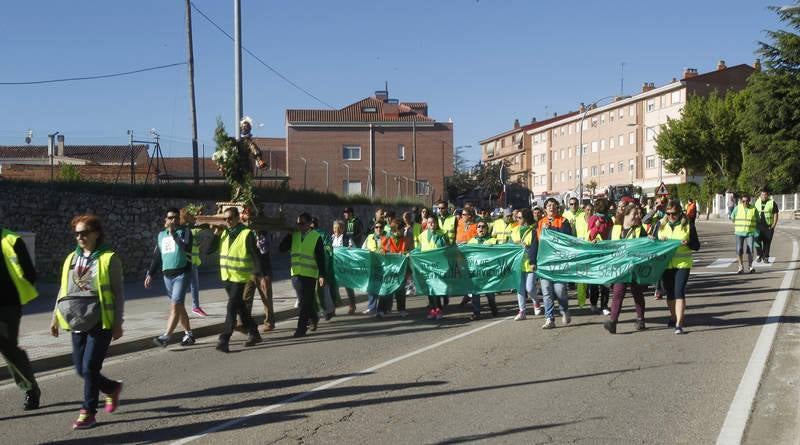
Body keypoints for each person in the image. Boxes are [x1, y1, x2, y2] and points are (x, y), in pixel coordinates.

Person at [50, 215, 124, 429]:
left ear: (96, 233)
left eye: (84, 233)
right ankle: (111, 388)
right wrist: (54, 317)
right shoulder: (71, 259)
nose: (80, 237)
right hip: (76, 320)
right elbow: (63, 289)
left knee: (90, 367)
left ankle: (88, 412)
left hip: (101, 321)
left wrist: (118, 322)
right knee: (81, 370)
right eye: (77, 233)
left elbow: (118, 294)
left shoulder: (110, 258)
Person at [208, 207, 264, 352]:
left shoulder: (246, 234)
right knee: (240, 308)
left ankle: (224, 339)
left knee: (231, 307)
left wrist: (259, 274)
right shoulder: (224, 233)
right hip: (226, 277)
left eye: (230, 218)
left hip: (240, 277)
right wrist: (216, 234)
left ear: (238, 218)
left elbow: (255, 254)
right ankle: (254, 332)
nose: (227, 221)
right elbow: (208, 250)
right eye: (225, 219)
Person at [0, 226, 41, 411]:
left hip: (7, 306)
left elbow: (30, 273)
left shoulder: (12, 240)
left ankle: (30, 388)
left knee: (9, 350)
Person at [145, 208, 194, 347]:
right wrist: (150, 273)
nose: (172, 220)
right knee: (179, 306)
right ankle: (189, 334)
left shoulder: (185, 231)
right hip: (167, 276)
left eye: (175, 218)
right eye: (169, 218)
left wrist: (174, 234)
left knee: (175, 305)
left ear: (179, 219)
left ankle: (166, 336)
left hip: (182, 273)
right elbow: (157, 256)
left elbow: (186, 248)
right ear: (165, 220)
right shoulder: (161, 235)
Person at [654, 200, 699, 334]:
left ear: (679, 213)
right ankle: (673, 317)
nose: (670, 217)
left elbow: (696, 246)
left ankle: (679, 324)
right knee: (670, 294)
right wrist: (657, 242)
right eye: (668, 214)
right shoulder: (660, 224)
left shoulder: (688, 225)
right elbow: (652, 242)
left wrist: (687, 243)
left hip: (682, 264)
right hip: (666, 264)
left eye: (673, 214)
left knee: (679, 291)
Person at [603, 203, 649, 334]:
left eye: (638, 214)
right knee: (618, 292)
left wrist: (651, 239)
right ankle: (613, 322)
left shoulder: (640, 230)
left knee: (637, 292)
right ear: (626, 215)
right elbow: (607, 246)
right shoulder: (615, 229)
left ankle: (640, 319)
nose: (637, 216)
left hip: (635, 268)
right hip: (620, 267)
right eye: (634, 214)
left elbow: (647, 245)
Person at [279, 212, 326, 338]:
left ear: (310, 223)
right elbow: (281, 248)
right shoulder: (294, 235)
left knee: (305, 303)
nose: (299, 225)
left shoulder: (316, 237)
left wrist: (322, 275)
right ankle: (314, 317)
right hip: (296, 274)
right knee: (304, 301)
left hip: (310, 275)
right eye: (297, 223)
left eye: (302, 223)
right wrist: (288, 235)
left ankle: (301, 329)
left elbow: (321, 258)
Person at [534, 198, 573, 329]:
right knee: (546, 291)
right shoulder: (540, 223)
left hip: (559, 262)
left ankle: (564, 310)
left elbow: (567, 238)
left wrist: (551, 230)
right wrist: (533, 261)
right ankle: (549, 318)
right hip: (544, 263)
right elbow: (536, 243)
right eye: (549, 206)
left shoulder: (563, 221)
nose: (551, 208)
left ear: (558, 208)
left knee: (560, 290)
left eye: (554, 205)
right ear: (545, 209)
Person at [241, 207, 276, 333]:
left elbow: (263, 251)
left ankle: (269, 322)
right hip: (250, 270)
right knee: (246, 297)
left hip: (263, 270)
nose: (245, 218)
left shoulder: (263, 233)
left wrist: (263, 275)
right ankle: (244, 322)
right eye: (244, 215)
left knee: (266, 297)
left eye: (248, 215)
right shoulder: (245, 232)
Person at [378, 217, 410, 317]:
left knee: (400, 289)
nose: (404, 231)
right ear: (396, 230)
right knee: (385, 289)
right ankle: (381, 310)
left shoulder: (404, 239)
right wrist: (382, 251)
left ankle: (401, 309)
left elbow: (408, 251)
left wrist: (405, 253)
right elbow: (380, 250)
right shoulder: (387, 238)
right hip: (388, 269)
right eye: (402, 229)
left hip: (400, 269)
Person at [511, 208, 539, 320]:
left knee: (530, 288)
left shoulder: (533, 230)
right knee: (520, 288)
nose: (517, 219)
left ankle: (536, 302)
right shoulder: (514, 230)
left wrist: (533, 262)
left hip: (529, 264)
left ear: (526, 218)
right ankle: (522, 311)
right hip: (518, 264)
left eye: (519, 217)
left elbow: (534, 247)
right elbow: (510, 245)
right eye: (517, 217)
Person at [468, 221, 499, 319]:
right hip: (476, 271)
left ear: (487, 229)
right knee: (475, 293)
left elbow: (500, 252)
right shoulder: (471, 241)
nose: (481, 228)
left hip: (488, 271)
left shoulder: (493, 241)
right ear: (476, 229)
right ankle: (476, 312)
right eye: (479, 227)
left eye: (483, 226)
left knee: (489, 293)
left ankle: (493, 307)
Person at [180, 208, 208, 317]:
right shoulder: (187, 230)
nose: (194, 218)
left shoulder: (188, 229)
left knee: (191, 285)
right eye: (191, 216)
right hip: (188, 262)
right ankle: (192, 307)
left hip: (192, 261)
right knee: (191, 285)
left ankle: (187, 308)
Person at [420, 215, 449, 320]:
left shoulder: (442, 234)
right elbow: (420, 249)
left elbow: (446, 248)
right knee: (430, 289)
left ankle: (439, 309)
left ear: (436, 223)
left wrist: (438, 238)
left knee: (436, 288)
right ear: (426, 224)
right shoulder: (422, 235)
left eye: (433, 222)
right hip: (427, 266)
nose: (431, 224)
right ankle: (433, 310)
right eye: (429, 223)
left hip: (438, 266)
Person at [588, 198, 613, 315]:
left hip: (606, 253)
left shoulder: (609, 220)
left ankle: (604, 305)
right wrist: (596, 226)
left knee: (606, 281)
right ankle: (593, 303)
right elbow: (590, 237)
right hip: (595, 254)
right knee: (594, 281)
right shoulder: (593, 218)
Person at [330, 219, 357, 314]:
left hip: (345, 266)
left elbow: (354, 251)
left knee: (348, 286)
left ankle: (352, 305)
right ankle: (332, 308)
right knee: (333, 288)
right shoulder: (331, 238)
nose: (336, 230)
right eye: (334, 228)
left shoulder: (347, 239)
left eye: (338, 228)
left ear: (343, 229)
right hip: (334, 267)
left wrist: (349, 250)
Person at [361, 221, 385, 315]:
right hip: (371, 265)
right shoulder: (369, 237)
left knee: (382, 288)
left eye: (380, 227)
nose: (378, 229)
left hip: (383, 266)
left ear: (383, 228)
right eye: (376, 227)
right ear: (374, 228)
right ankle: (372, 307)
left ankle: (381, 309)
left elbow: (389, 249)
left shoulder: (386, 238)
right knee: (371, 287)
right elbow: (363, 249)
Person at [730, 193, 758, 274]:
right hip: (739, 233)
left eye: (746, 201)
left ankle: (750, 267)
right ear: (741, 201)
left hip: (750, 233)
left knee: (750, 250)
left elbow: (757, 219)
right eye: (743, 201)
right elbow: (732, 217)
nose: (745, 202)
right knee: (739, 250)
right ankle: (740, 267)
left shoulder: (753, 209)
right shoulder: (737, 208)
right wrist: (738, 225)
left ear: (749, 200)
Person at [754, 189, 779, 263]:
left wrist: (773, 225)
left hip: (768, 226)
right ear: (760, 195)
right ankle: (759, 254)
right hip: (758, 226)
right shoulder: (756, 202)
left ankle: (766, 257)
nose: (764, 196)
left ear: (768, 195)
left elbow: (775, 214)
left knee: (767, 243)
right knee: (756, 240)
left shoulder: (772, 203)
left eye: (765, 195)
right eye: (762, 194)